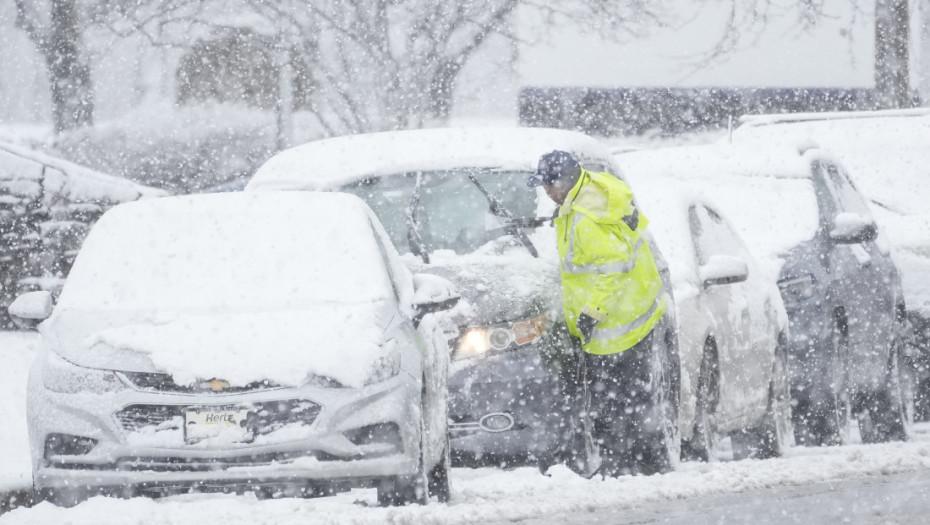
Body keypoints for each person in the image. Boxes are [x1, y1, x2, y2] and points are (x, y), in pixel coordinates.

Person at [527, 150, 677, 476]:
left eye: (548, 186)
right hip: (635, 308)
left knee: (614, 404)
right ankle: (633, 465)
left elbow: (613, 268)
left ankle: (625, 468)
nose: (545, 193)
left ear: (563, 183)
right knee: (628, 399)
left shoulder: (586, 218)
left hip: (619, 322)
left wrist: (592, 312)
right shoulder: (590, 193)